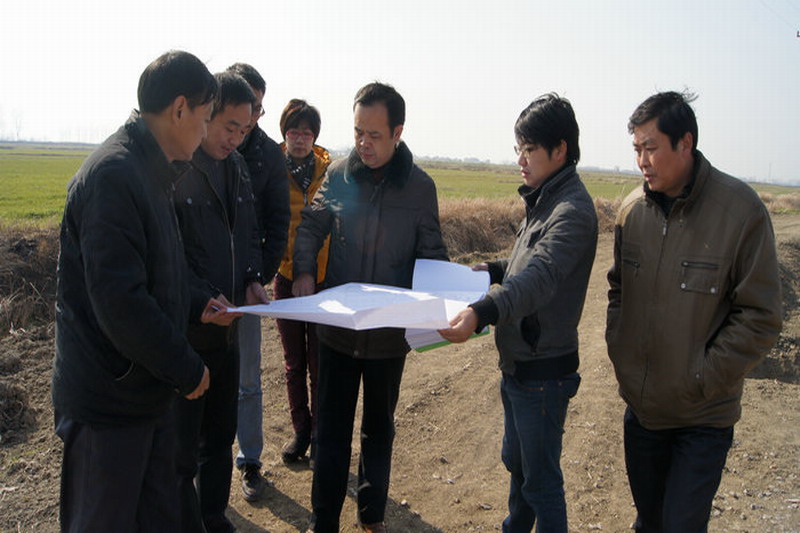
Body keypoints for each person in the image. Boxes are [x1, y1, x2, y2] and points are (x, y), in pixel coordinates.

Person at [52, 50, 230, 533]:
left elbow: (159, 272)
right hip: (109, 403)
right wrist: (185, 366)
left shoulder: (151, 171)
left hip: (144, 394)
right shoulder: (114, 176)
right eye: (205, 117)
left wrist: (197, 303)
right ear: (179, 109)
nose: (206, 131)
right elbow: (120, 302)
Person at [605, 91, 782, 533]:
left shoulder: (740, 213)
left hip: (702, 419)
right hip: (644, 413)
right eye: (636, 149)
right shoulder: (632, 212)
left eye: (651, 148)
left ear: (685, 143)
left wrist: (702, 375)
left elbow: (761, 316)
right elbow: (617, 290)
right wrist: (621, 352)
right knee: (649, 522)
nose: (642, 161)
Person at [293, 82, 448, 533]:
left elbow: (432, 254)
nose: (364, 143)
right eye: (358, 132)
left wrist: (443, 301)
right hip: (337, 332)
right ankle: (324, 520)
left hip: (388, 338)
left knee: (379, 431)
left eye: (374, 135)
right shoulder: (340, 175)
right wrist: (304, 270)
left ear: (398, 132)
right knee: (331, 432)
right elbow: (311, 226)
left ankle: (372, 516)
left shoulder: (419, 188)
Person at [439, 94, 597, 533]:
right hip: (521, 363)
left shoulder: (572, 211)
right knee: (520, 466)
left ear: (559, 150)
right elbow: (526, 263)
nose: (520, 161)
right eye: (517, 149)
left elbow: (541, 277)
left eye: (529, 149)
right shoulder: (545, 198)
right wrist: (492, 269)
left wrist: (483, 310)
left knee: (541, 482)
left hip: (543, 370)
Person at [172, 71, 268, 533]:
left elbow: (249, 233)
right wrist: (200, 300)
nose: (235, 139)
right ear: (207, 114)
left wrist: (252, 278)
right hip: (188, 331)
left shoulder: (238, 167)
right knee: (181, 444)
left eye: (244, 130)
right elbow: (167, 258)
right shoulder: (177, 169)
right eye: (230, 126)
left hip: (229, 328)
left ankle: (213, 514)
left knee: (220, 435)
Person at [225, 62, 290, 501]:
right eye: (247, 105)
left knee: (248, 379)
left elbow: (277, 220)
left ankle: (249, 460)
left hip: (247, 286)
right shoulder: (202, 145)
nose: (251, 117)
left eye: (258, 109)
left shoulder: (268, 154)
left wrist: (259, 275)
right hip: (203, 285)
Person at [274, 99, 331, 464]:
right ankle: (301, 432)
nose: (299, 139)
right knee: (294, 362)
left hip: (324, 279)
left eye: (306, 133)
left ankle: (321, 435)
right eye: (293, 132)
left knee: (320, 363)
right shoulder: (272, 169)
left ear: (315, 137)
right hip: (285, 277)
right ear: (284, 134)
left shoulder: (330, 172)